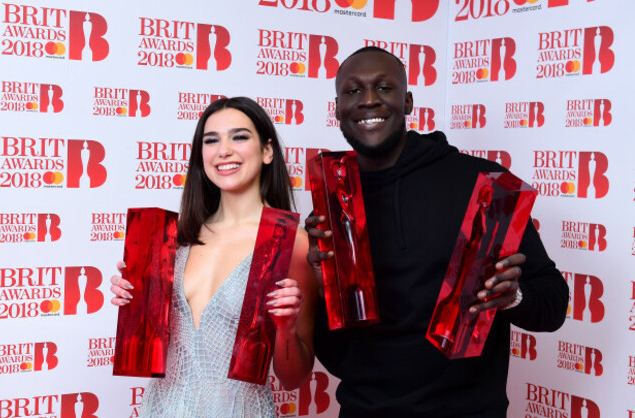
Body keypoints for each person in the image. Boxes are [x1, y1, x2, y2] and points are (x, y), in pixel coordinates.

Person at [305, 47, 569, 417]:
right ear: (336, 108)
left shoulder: (484, 184)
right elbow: (338, 357)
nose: (368, 100)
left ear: (408, 101)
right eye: (353, 91)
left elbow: (554, 305)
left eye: (383, 88)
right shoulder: (335, 202)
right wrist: (323, 294)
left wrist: (512, 296)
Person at [111, 97, 317, 417]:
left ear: (267, 151)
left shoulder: (292, 244)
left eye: (239, 136)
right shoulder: (172, 240)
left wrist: (286, 328)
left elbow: (295, 378)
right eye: (211, 140)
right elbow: (148, 345)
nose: (223, 150)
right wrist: (134, 302)